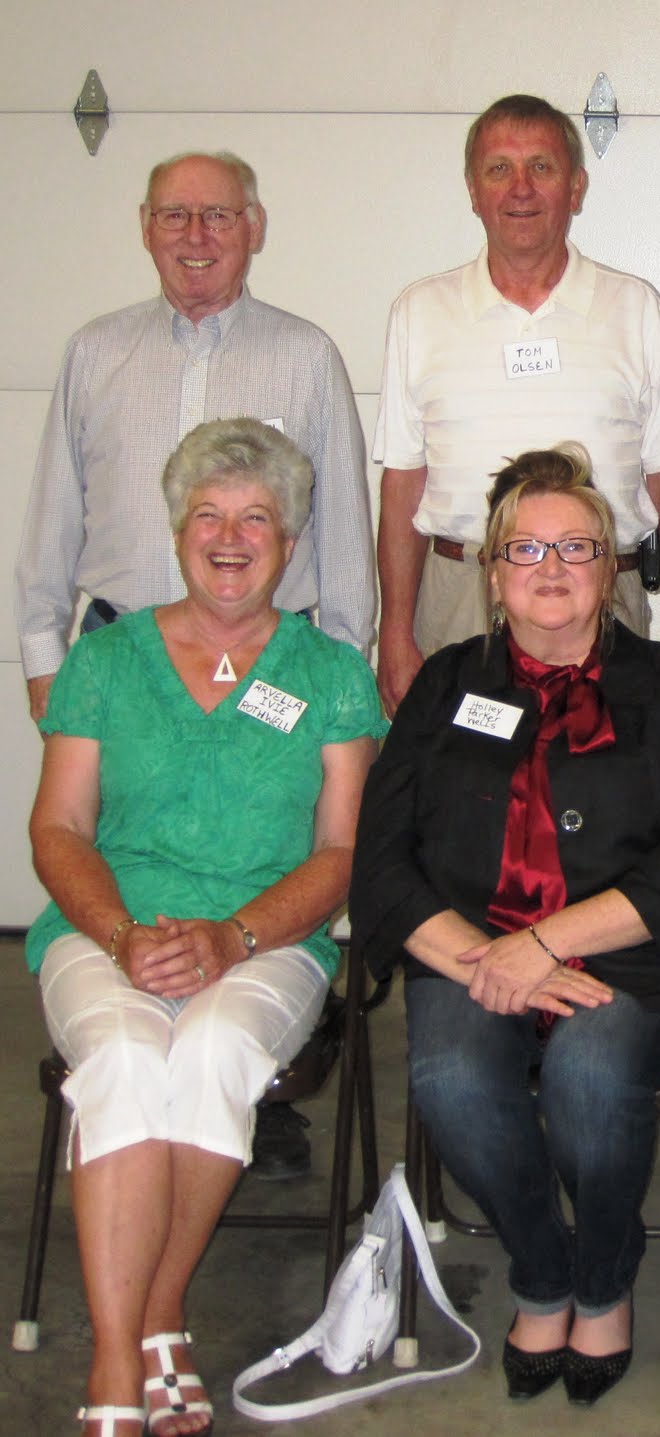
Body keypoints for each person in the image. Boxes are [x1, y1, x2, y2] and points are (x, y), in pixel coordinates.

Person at [351, 446, 660, 1408]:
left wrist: (553, 940)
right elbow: (380, 864)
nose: (552, 568)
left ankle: (604, 1279)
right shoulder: (443, 684)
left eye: (578, 546)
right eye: (526, 550)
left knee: (591, 1072)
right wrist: (495, 956)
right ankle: (544, 1266)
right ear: (491, 574)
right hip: (472, 951)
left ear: (611, 569)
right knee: (447, 1071)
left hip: (633, 960)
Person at [16, 149, 376, 1180]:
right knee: (124, 850)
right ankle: (144, 1072)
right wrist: (49, 666)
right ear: (144, 226)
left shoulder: (305, 355)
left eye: (218, 216)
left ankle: (258, 1064)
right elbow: (50, 525)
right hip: (123, 654)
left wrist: (338, 681)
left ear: (254, 226)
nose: (196, 236)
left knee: (261, 862)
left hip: (276, 664)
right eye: (175, 216)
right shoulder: (97, 352)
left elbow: (342, 531)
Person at [26, 419, 385, 1437]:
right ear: (178, 531)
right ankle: (116, 1349)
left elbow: (339, 855)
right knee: (128, 1052)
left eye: (256, 520)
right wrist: (116, 933)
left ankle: (160, 1306)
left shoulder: (329, 675)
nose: (230, 539)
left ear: (289, 539)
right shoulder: (103, 661)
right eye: (209, 518)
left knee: (218, 1045)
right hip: (104, 931)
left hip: (269, 939)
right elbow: (56, 828)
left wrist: (234, 937)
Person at [373, 94, 660, 713]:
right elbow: (402, 485)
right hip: (458, 606)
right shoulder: (420, 312)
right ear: (473, 190)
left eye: (542, 167)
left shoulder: (635, 308)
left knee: (611, 796)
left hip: (604, 598)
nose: (520, 188)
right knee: (467, 801)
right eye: (499, 169)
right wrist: (393, 631)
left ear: (577, 187)